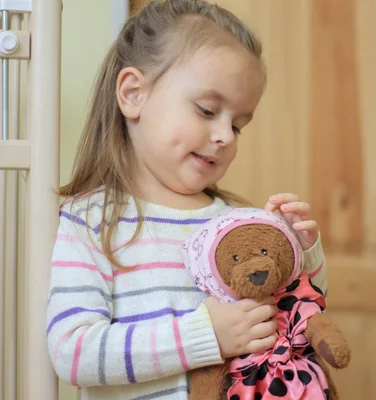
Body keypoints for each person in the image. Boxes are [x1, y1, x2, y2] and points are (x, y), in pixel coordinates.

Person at [45, 1, 328, 398]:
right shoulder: (91, 220)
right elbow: (73, 353)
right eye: (207, 110)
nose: (226, 136)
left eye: (237, 125)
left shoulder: (235, 223)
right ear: (133, 94)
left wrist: (305, 256)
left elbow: (295, 314)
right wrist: (204, 335)